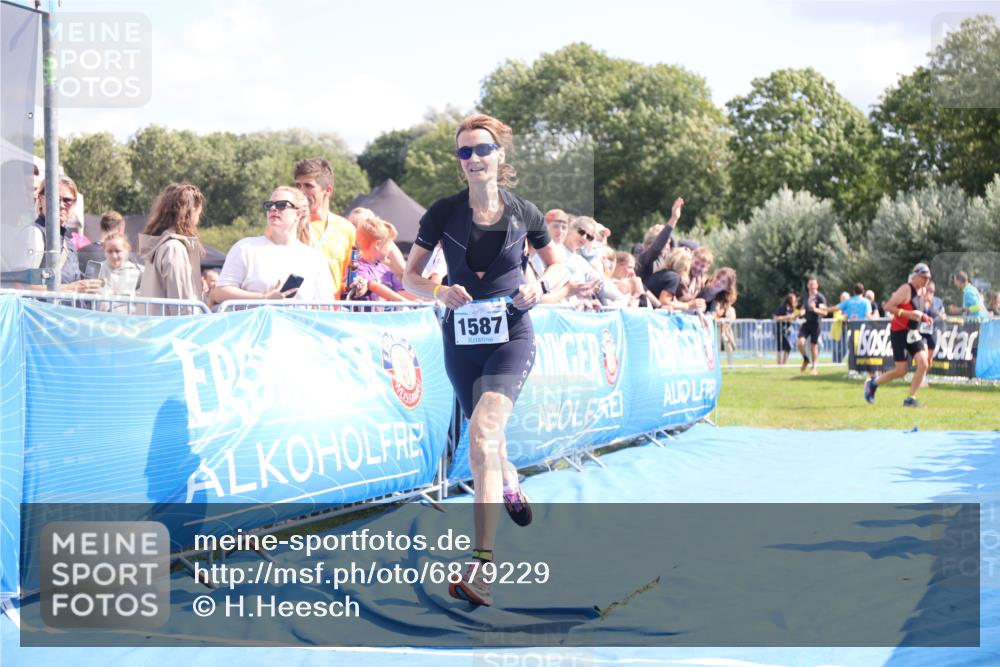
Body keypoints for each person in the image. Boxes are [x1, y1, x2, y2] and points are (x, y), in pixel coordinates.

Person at [402, 114, 563, 607]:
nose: (473, 159)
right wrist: (437, 289)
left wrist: (540, 286)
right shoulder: (443, 213)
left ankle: (483, 566)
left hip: (511, 336)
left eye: (482, 149)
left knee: (484, 434)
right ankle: (510, 480)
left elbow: (557, 269)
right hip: (460, 342)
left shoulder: (525, 213)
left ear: (500, 156)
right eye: (464, 152)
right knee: (485, 445)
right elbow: (409, 275)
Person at [211, 187, 334, 305]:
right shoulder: (245, 248)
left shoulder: (315, 258)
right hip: (256, 325)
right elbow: (220, 292)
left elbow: (325, 305)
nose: (273, 208)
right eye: (269, 205)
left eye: (281, 205)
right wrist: (264, 298)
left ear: (298, 213)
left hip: (296, 325)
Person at [864, 263, 934, 407]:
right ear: (915, 276)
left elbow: (917, 311)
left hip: (913, 333)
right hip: (899, 332)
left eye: (928, 278)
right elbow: (888, 307)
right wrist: (907, 314)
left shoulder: (923, 291)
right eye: (923, 277)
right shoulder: (905, 289)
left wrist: (925, 317)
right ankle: (873, 384)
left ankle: (910, 398)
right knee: (901, 370)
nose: (925, 281)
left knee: (923, 363)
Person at [294, 158, 356, 298]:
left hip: (329, 314)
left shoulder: (346, 229)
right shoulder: (288, 225)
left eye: (308, 186)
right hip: (295, 311)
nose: (301, 192)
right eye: (298, 186)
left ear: (327, 191)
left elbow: (347, 276)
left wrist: (359, 284)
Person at [137, 183, 205, 310]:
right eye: (198, 213)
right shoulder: (174, 248)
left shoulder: (159, 245)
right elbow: (181, 305)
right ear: (191, 211)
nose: (198, 219)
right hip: (173, 327)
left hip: (155, 324)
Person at [351, 216, 415, 302]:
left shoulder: (385, 269)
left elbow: (399, 292)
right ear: (378, 244)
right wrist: (405, 302)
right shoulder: (359, 267)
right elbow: (374, 286)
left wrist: (421, 300)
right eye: (389, 244)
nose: (390, 249)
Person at [97, 232, 143, 309]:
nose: (114, 256)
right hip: (102, 318)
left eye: (118, 251)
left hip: (129, 318)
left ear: (127, 249)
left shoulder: (139, 272)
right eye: (109, 251)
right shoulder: (98, 269)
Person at [796, 277, 831, 375]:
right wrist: (801, 312)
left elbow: (825, 312)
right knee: (799, 343)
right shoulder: (806, 296)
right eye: (810, 284)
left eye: (813, 284)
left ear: (817, 285)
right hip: (806, 323)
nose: (812, 286)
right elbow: (803, 307)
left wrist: (815, 309)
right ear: (807, 286)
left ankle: (814, 367)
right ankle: (806, 359)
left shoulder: (820, 298)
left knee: (813, 346)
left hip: (816, 323)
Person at [773, 293, 799, 365]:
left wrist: (794, 317)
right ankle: (779, 364)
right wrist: (787, 317)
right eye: (793, 300)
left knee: (789, 346)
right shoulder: (782, 308)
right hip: (780, 329)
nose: (795, 301)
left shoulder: (793, 309)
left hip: (788, 330)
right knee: (780, 348)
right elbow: (775, 317)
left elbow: (794, 317)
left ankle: (784, 363)